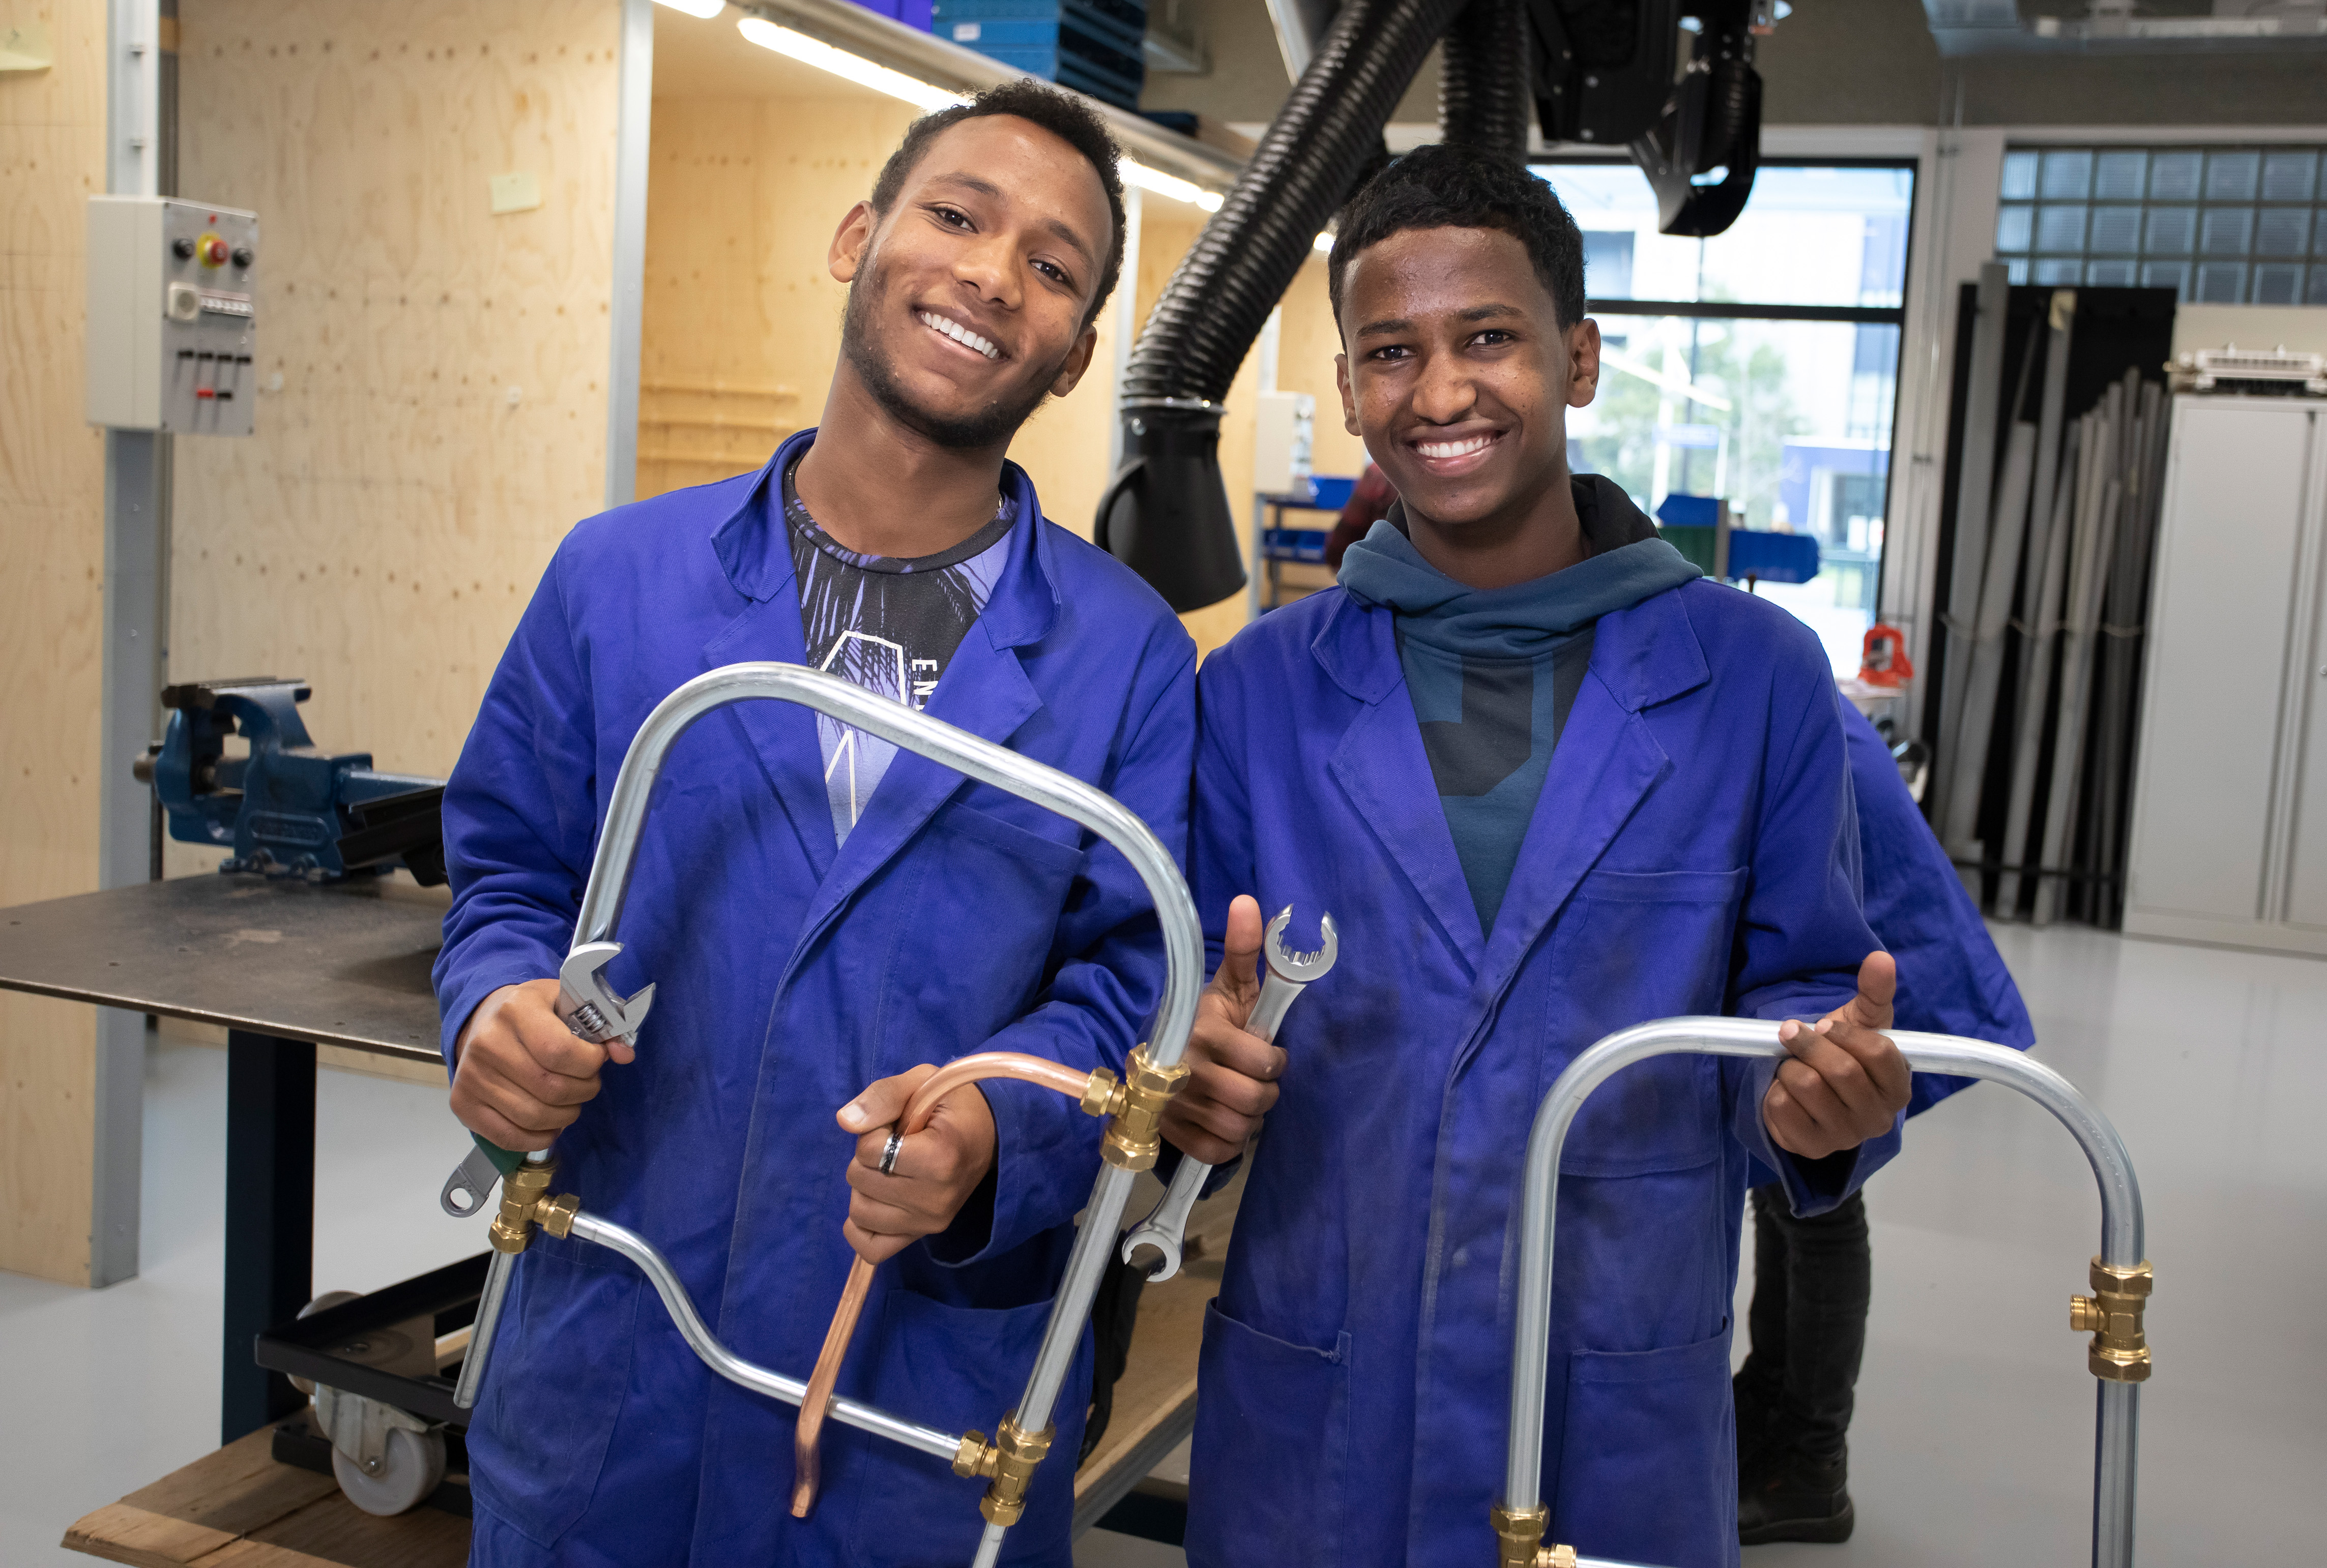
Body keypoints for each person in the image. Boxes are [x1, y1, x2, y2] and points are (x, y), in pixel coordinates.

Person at [434, 80, 1197, 1568]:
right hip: (613, 1366)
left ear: (1078, 350)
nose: (992, 272)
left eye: (1053, 265)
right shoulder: (616, 578)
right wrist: (495, 1007)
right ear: (862, 236)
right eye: (957, 214)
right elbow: (511, 873)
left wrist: (1000, 1123)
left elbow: (1133, 990)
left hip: (910, 1401)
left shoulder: (1131, 657)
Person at [1168, 144, 1913, 1568]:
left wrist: (1823, 1094)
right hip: (1328, 1382)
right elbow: (1186, 1016)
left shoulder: (1753, 676)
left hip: (1613, 1385)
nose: (1440, 393)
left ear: (1576, 358)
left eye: (1488, 338)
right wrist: (1192, 1074)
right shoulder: (1255, 691)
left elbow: (1805, 999)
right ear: (1346, 390)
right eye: (1392, 351)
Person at [1733, 701, 2037, 1546]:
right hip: (1846, 900)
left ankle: (1810, 1461)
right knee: (1783, 1187)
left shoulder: (1717, 659)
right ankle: (1769, 1396)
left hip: (1865, 923)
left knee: (1823, 1195)